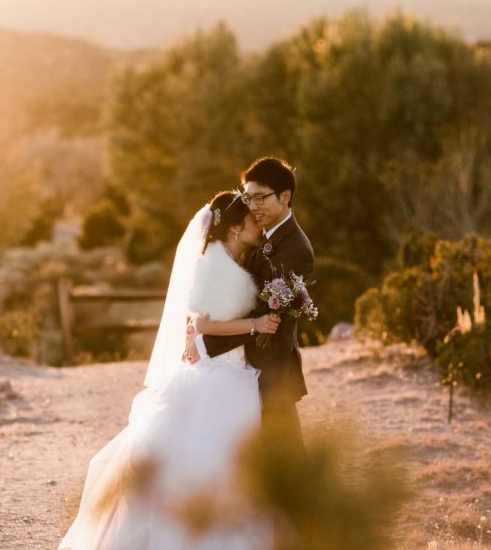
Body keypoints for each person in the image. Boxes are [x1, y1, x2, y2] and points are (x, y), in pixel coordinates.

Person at [59, 191, 277, 550]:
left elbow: (195, 324)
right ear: (236, 227)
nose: (259, 224)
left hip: (231, 371)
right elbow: (203, 323)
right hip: (221, 377)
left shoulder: (233, 259)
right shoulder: (215, 264)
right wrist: (255, 325)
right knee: (213, 463)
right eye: (252, 220)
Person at [188, 157, 312, 453]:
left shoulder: (295, 249)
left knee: (283, 456)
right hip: (242, 368)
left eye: (260, 197)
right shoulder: (253, 243)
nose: (253, 206)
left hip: (271, 368)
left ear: (285, 197)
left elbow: (269, 319)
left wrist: (206, 341)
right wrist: (199, 333)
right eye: (249, 197)